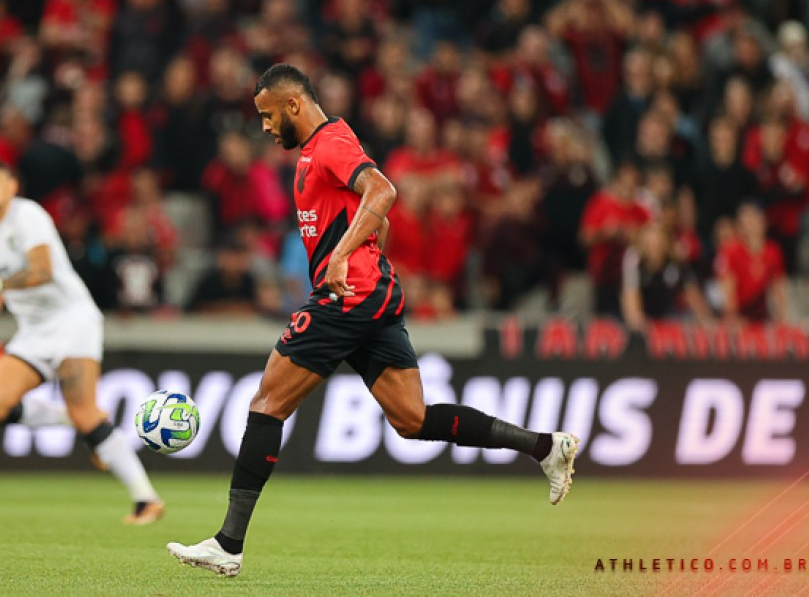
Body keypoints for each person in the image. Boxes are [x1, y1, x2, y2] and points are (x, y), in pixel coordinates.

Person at [166, 64, 580, 577]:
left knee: (267, 402)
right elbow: (376, 220)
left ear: (293, 105)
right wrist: (362, 248)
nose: (266, 128)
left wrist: (342, 256)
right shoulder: (314, 153)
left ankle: (228, 544)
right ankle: (544, 447)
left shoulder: (332, 141)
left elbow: (383, 192)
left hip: (350, 295)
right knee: (411, 419)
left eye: (268, 116)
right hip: (371, 293)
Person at [0, 159, 163, 525]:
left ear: (12, 186)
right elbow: (2, 275)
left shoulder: (28, 216)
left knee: (85, 412)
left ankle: (146, 499)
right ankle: (74, 419)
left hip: (72, 320)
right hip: (32, 330)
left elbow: (40, 271)